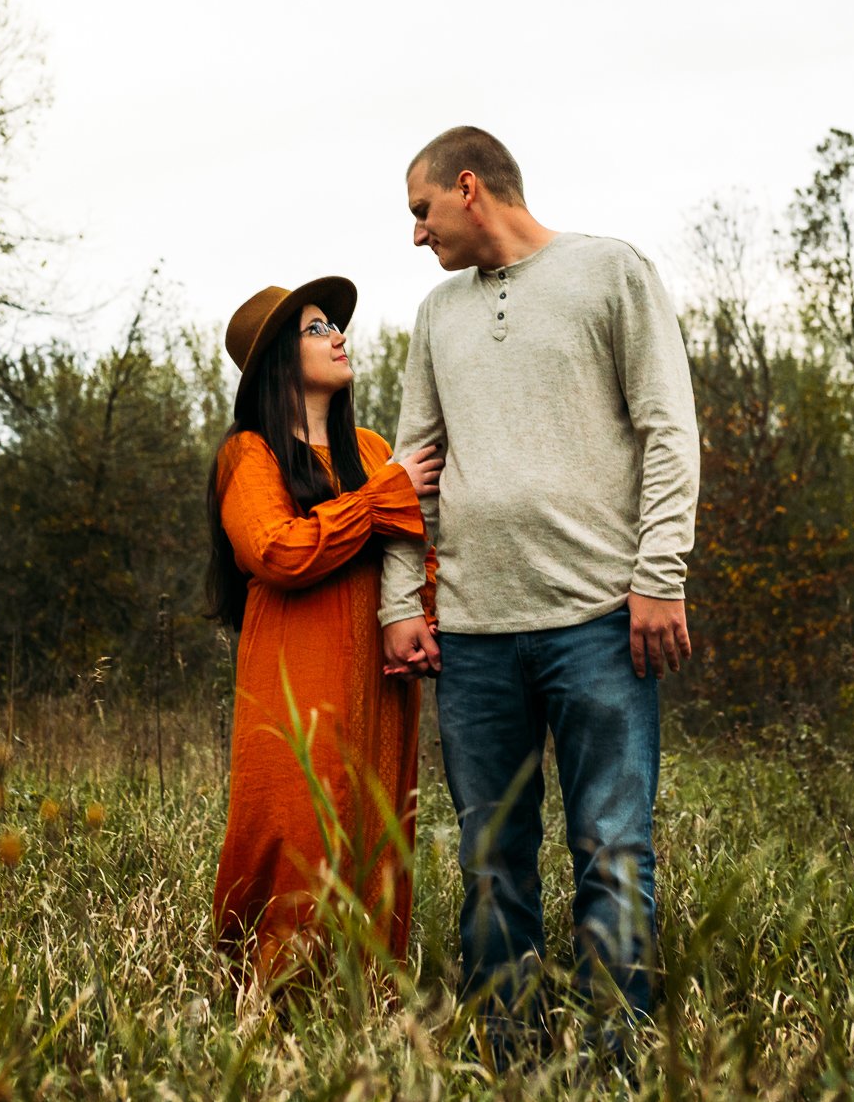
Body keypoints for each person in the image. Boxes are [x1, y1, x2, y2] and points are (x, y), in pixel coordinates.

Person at [379, 127, 700, 1035]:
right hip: (474, 635)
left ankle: (616, 1057)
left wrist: (659, 574)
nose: (416, 234)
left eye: (421, 210)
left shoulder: (611, 272)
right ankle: (506, 1061)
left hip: (601, 620)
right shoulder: (437, 314)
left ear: (469, 187)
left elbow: (667, 429)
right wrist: (404, 602)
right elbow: (416, 467)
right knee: (491, 858)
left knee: (612, 850)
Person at [208, 275, 444, 986]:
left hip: (380, 677)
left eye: (334, 325)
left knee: (374, 831)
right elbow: (276, 549)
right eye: (317, 327)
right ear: (281, 356)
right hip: (294, 676)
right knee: (295, 826)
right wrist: (379, 502)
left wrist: (425, 614)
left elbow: (419, 546)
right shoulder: (249, 454)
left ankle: (363, 1000)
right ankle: (267, 999)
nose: (339, 335)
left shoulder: (372, 450)